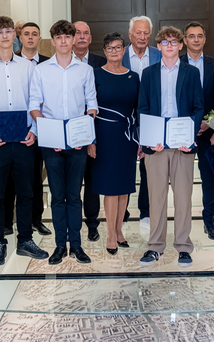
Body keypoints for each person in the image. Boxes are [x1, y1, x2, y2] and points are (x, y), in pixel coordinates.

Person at [0, 16, 48, 266]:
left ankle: (25, 239)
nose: (4, 36)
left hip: (24, 137)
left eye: (8, 31)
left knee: (26, 192)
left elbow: (37, 100)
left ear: (14, 35)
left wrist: (34, 130)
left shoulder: (28, 67)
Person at [30, 20, 98, 265]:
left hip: (78, 143)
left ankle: (76, 245)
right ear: (53, 41)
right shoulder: (41, 70)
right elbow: (34, 106)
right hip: (52, 143)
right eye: (58, 37)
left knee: (74, 195)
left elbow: (92, 105)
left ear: (73, 40)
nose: (63, 41)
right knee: (58, 196)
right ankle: (60, 245)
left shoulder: (85, 70)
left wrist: (83, 135)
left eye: (67, 37)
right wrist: (51, 134)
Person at [137, 26, 203, 267]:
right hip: (156, 145)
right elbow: (142, 108)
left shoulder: (191, 72)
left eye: (174, 41)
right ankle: (155, 246)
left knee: (183, 197)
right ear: (159, 46)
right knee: (156, 197)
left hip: (182, 144)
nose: (170, 46)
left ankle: (184, 247)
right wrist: (148, 138)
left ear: (181, 45)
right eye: (165, 42)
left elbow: (198, 107)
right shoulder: (149, 73)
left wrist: (190, 136)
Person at [88, 32, 140, 254]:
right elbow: (89, 108)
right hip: (104, 135)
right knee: (110, 188)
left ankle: (119, 231)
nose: (114, 51)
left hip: (127, 137)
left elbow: (138, 109)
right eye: (110, 48)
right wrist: (91, 140)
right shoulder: (95, 74)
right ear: (104, 51)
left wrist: (140, 139)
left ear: (124, 49)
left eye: (118, 47)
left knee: (124, 186)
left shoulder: (134, 76)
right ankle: (110, 234)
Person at [180, 21, 214, 240]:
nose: (195, 40)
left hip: (207, 131)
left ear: (204, 39)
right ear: (185, 40)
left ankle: (209, 220)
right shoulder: (176, 63)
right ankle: (182, 223)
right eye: (191, 36)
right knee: (181, 180)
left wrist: (209, 123)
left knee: (208, 178)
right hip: (183, 132)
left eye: (199, 36)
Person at [122, 16, 162, 229]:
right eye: (138, 32)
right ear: (130, 34)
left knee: (149, 166)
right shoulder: (120, 55)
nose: (142, 36)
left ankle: (145, 211)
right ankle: (123, 211)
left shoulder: (159, 54)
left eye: (146, 32)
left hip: (151, 117)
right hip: (125, 118)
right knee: (125, 165)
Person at [16, 22, 51, 236]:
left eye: (34, 34)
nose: (30, 37)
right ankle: (10, 221)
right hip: (17, 127)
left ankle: (36, 219)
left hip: (41, 126)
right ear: (20, 38)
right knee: (13, 178)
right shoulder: (10, 61)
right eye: (26, 34)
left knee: (37, 176)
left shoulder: (48, 63)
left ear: (40, 39)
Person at [73, 21, 107, 242]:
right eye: (77, 33)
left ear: (91, 38)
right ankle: (73, 224)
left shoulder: (101, 63)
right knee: (73, 183)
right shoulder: (61, 63)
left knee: (92, 181)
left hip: (95, 128)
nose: (82, 36)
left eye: (86, 33)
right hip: (70, 132)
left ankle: (92, 223)